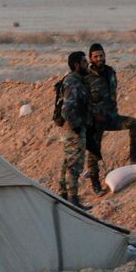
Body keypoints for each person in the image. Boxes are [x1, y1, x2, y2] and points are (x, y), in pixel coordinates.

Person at [84, 43, 136, 195]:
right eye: (96, 56)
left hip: (111, 117)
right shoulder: (86, 77)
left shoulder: (111, 72)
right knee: (94, 152)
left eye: (101, 55)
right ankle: (95, 184)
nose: (99, 59)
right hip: (95, 121)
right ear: (90, 59)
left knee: (133, 123)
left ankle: (134, 156)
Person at [53, 51, 97, 209]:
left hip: (71, 129)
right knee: (74, 165)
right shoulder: (74, 82)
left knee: (67, 163)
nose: (87, 65)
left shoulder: (75, 80)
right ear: (77, 65)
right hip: (73, 130)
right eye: (85, 62)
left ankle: (64, 196)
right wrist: (77, 126)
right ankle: (73, 202)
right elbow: (67, 109)